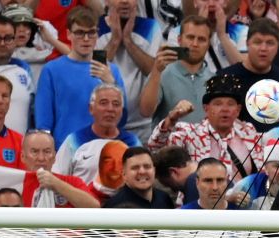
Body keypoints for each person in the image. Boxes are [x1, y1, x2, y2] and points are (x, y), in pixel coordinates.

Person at [34, 6, 126, 146]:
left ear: (97, 34)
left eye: (91, 33)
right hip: (66, 150)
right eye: (79, 33)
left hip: (102, 150)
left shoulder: (111, 71)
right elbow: (43, 123)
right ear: (69, 34)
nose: (86, 38)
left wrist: (111, 85)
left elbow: (123, 119)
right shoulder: (51, 70)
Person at [148, 73, 264, 181]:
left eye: (230, 104)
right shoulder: (190, 134)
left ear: (238, 110)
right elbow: (156, 148)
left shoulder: (248, 133)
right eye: (218, 104)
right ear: (206, 109)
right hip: (200, 200)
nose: (225, 109)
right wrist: (171, 119)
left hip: (245, 200)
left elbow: (263, 171)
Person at [95, 0, 162, 138]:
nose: (125, 1)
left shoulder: (151, 27)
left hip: (143, 126)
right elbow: (94, 70)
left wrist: (127, 40)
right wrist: (115, 39)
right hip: (105, 124)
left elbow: (152, 70)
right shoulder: (95, 27)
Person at [136, 14, 216, 126]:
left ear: (209, 44)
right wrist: (156, 71)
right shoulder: (162, 73)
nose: (195, 44)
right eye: (190, 37)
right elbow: (145, 111)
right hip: (169, 142)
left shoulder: (214, 80)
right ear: (179, 40)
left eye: (201, 39)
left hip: (204, 143)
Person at [54, 84, 140, 187]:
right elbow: (57, 179)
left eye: (116, 104)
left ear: (122, 111)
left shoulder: (132, 142)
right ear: (91, 109)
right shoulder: (74, 140)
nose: (110, 109)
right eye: (103, 103)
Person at [218, 17, 279, 131]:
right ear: (247, 44)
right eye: (257, 42)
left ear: (278, 47)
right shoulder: (224, 79)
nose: (263, 48)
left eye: (270, 43)